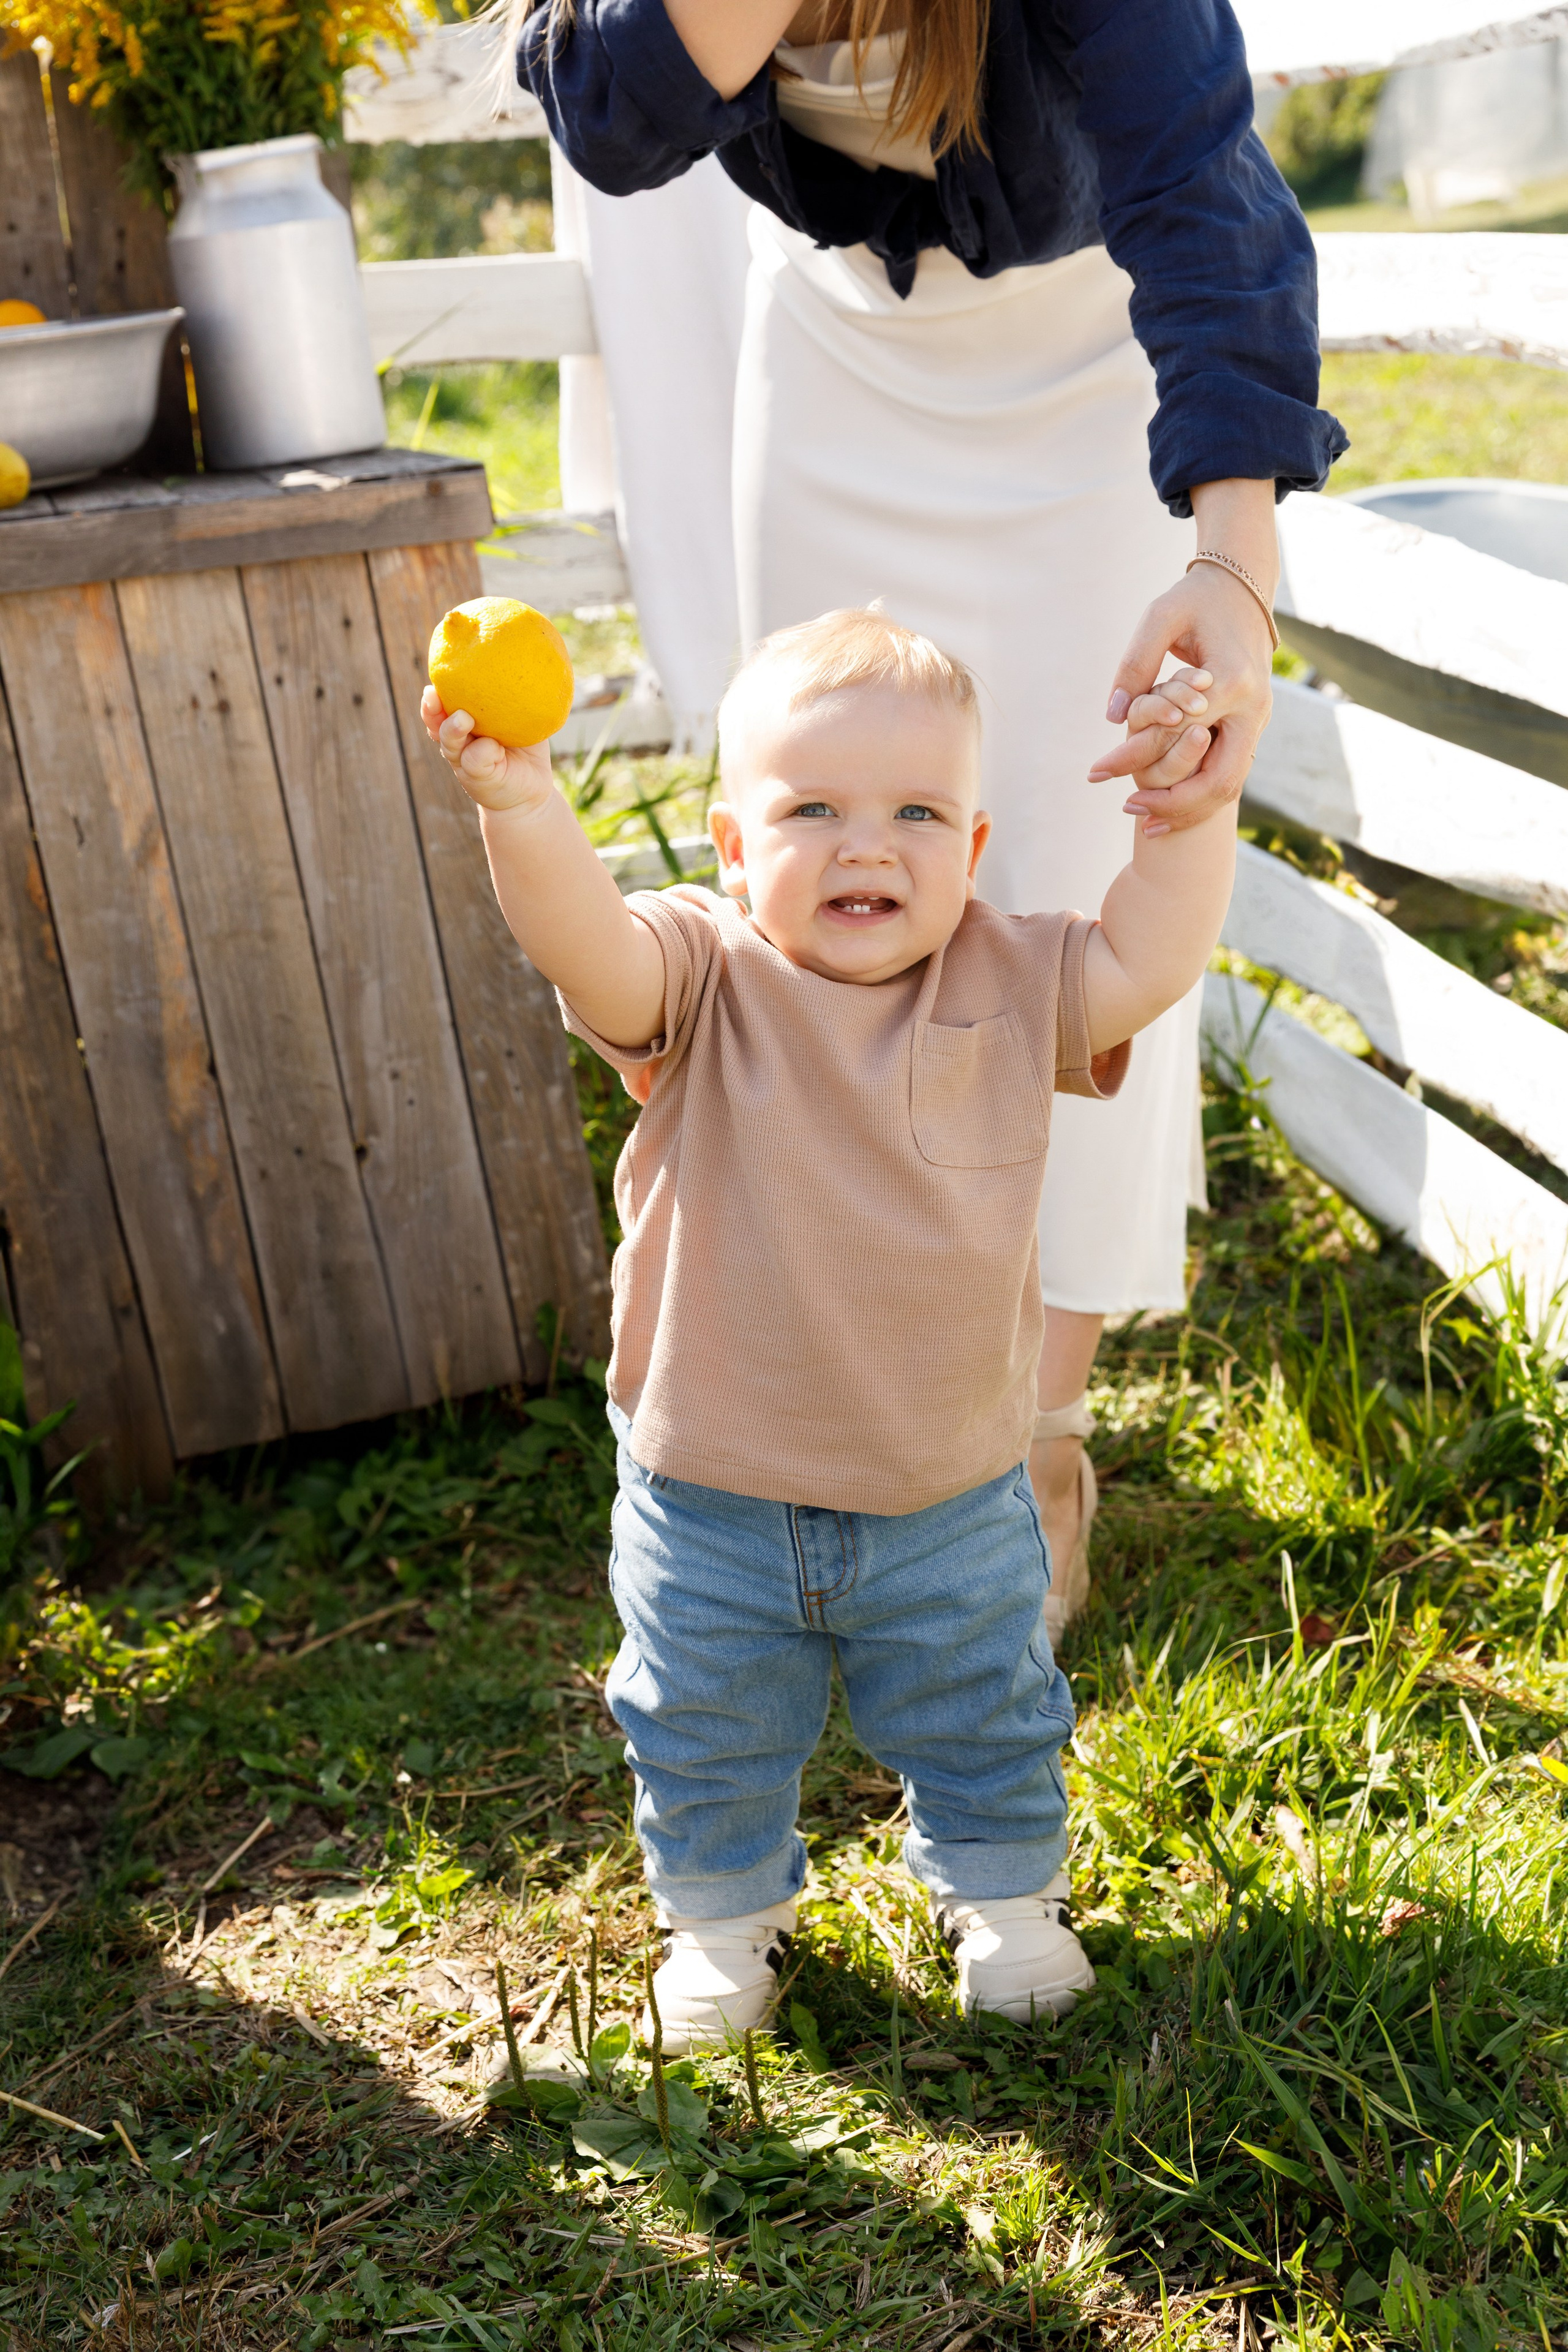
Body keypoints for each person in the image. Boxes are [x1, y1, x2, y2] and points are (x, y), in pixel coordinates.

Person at [513, 0, 1346, 1634]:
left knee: (1065, 875)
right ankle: (865, 1414)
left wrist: (1231, 567)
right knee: (842, 887)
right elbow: (609, 113)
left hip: (1093, 366)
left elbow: (1198, 182)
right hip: (832, 350)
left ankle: (1026, 1442)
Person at [421, 603, 1234, 2045]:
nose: (869, 845)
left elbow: (1147, 963)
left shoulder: (1006, 973)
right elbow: (582, 944)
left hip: (946, 1489)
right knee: (702, 1728)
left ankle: (1001, 1897)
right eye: (812, 810)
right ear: (732, 851)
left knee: (984, 1708)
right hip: (713, 1496)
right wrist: (525, 802)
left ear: (972, 851)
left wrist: (1188, 825)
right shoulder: (699, 974)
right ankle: (727, 1925)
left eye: (917, 811)